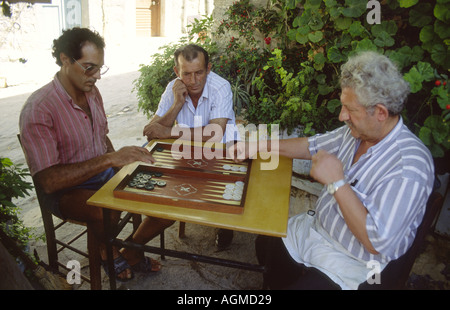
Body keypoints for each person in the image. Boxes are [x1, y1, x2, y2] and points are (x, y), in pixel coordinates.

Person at [229, 51, 435, 289]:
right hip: (317, 232)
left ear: (380, 112)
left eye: (350, 110)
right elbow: (310, 146)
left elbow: (377, 242)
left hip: (354, 262)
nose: (341, 116)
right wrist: (256, 146)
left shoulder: (410, 166)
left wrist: (337, 183)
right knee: (265, 245)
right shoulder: (356, 132)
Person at [19, 27, 164, 282]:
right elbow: (48, 182)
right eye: (89, 67)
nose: (96, 76)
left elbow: (102, 136)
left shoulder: (91, 91)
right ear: (65, 59)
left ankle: (129, 250)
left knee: (162, 194)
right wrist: (110, 159)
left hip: (101, 174)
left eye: (100, 68)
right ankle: (105, 252)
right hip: (65, 192)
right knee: (104, 210)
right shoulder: (39, 108)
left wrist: (119, 161)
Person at [122, 44, 238, 260]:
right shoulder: (173, 88)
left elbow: (215, 133)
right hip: (187, 153)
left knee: (224, 196)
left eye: (199, 73)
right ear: (177, 72)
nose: (193, 81)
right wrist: (176, 104)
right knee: (161, 192)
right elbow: (151, 132)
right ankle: (134, 247)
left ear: (209, 69)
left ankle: (224, 224)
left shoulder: (221, 87)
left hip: (223, 152)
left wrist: (169, 131)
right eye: (187, 74)